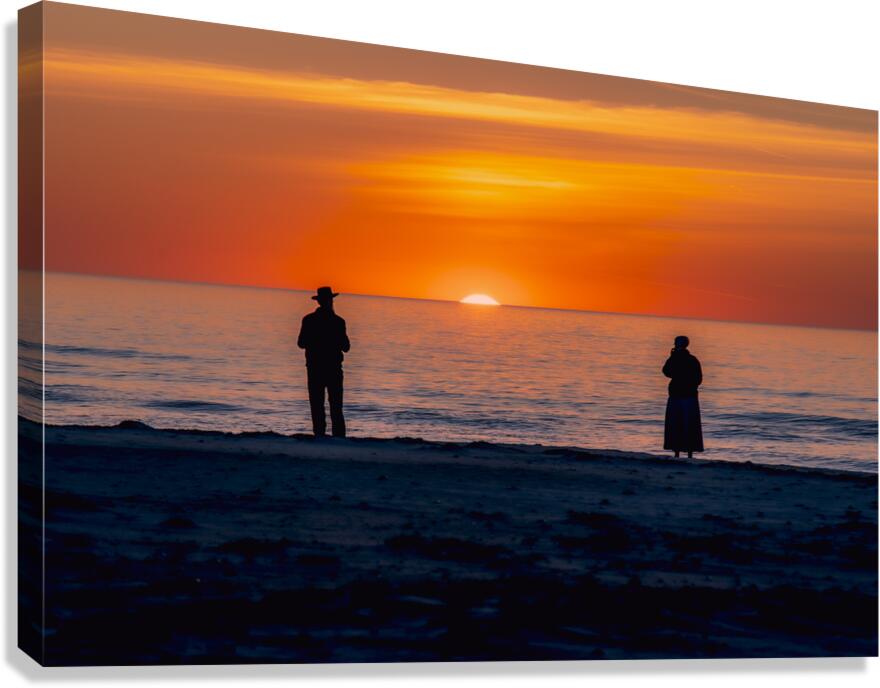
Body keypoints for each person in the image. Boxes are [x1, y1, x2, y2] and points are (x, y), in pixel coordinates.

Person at [297, 286, 350, 438]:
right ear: (331, 301)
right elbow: (346, 347)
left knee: (316, 405)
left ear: (318, 302)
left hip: (314, 368)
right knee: (336, 406)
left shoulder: (308, 320)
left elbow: (301, 343)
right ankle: (339, 438)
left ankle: (319, 435)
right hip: (333, 369)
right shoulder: (338, 322)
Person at [662, 335, 703, 458]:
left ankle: (677, 452)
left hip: (678, 394)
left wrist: (672, 357)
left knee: (676, 423)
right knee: (689, 424)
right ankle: (689, 452)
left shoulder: (676, 358)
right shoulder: (693, 359)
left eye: (675, 343)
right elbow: (699, 379)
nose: (674, 345)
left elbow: (666, 371)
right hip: (689, 395)